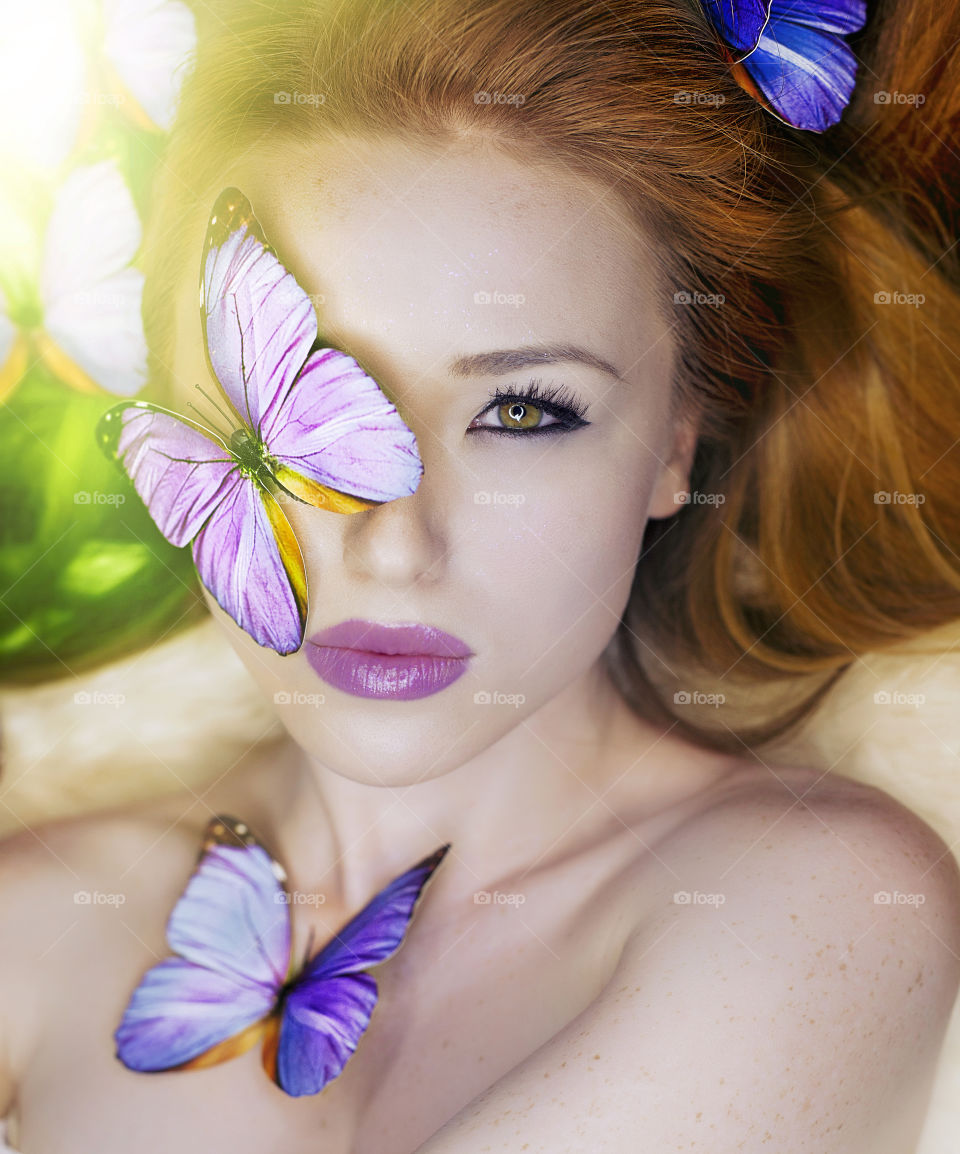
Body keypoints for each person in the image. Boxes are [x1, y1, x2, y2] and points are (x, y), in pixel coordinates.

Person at [2, 0, 960, 1150]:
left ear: (677, 442)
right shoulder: (42, 910)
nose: (394, 541)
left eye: (521, 409)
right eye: (289, 406)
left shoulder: (826, 899)